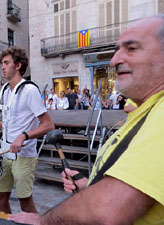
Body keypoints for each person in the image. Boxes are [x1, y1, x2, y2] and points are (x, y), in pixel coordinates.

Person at [9, 15, 164, 225]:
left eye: (132, 48)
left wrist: (43, 221)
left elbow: (108, 209)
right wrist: (91, 185)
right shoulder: (146, 111)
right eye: (118, 49)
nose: (114, 60)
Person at [0, 46, 54, 214]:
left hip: (24, 156)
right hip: (5, 152)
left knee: (25, 203)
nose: (3, 66)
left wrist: (24, 136)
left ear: (18, 65)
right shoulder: (5, 90)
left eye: (7, 63)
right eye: (2, 63)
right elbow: (9, 121)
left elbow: (48, 125)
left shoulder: (29, 90)